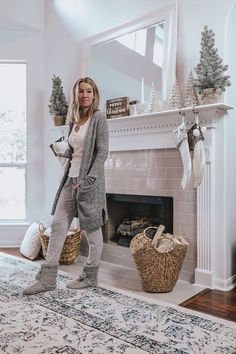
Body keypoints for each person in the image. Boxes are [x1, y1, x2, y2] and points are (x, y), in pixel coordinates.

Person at [23, 77, 109, 295]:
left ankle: (90, 276)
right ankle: (48, 279)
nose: (85, 95)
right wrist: (64, 151)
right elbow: (76, 152)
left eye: (89, 91)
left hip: (89, 184)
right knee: (59, 225)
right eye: (81, 91)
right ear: (76, 94)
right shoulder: (75, 119)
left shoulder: (99, 118)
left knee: (92, 229)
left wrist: (89, 180)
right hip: (70, 181)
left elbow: (102, 152)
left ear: (95, 94)